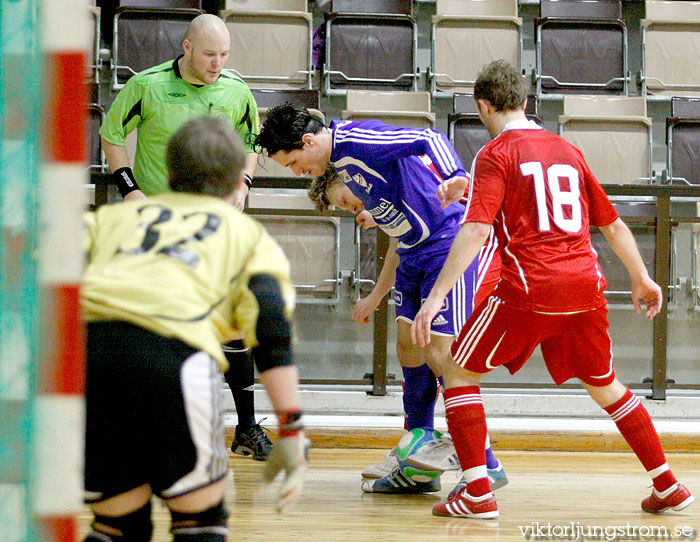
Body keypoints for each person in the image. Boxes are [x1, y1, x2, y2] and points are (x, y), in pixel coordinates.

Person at [410, 60, 694, 519]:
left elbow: (477, 231)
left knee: (458, 372)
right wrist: (642, 277)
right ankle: (668, 484)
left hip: (529, 287)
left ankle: (478, 493)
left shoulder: (495, 153)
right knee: (605, 386)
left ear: (483, 106)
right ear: (524, 101)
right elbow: (612, 224)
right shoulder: (565, 148)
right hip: (584, 286)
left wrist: (436, 298)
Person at [256, 108, 507, 495]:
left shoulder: (357, 140)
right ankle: (420, 458)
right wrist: (376, 294)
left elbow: (429, 137)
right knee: (408, 347)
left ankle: (484, 464)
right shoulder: (341, 163)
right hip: (411, 253)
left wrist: (455, 174)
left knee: (442, 355)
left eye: (292, 162)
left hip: (444, 243)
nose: (296, 171)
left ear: (307, 142)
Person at [81, 117, 309, 542]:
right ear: (235, 181)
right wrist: (291, 427)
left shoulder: (110, 220)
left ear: (169, 173)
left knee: (116, 526)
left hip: (93, 360)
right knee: (199, 523)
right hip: (174, 359)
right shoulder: (244, 235)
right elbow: (272, 335)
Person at [99, 13, 272, 461]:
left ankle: (247, 428)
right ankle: (145, 427)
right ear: (187, 47)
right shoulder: (147, 86)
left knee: (235, 325)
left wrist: (244, 183)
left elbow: (253, 141)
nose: (217, 64)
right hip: (159, 228)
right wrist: (129, 189)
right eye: (210, 54)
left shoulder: (236, 90)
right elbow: (111, 134)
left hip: (215, 228)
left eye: (225, 55)